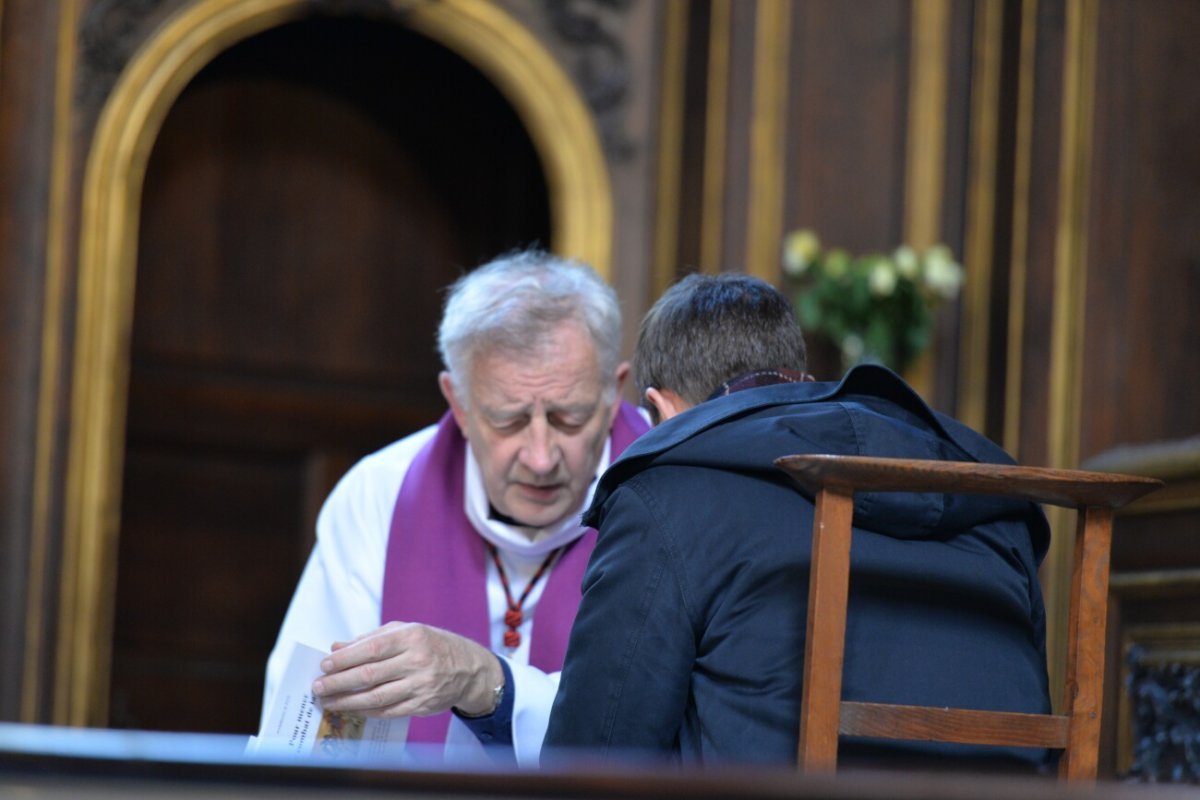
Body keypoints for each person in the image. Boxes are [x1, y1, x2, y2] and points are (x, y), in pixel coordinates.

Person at [543, 273, 1053, 769]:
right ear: (805, 387)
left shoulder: (667, 496)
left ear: (660, 408)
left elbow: (591, 761)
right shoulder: (996, 501)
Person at [261, 250, 649, 765]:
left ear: (612, 391)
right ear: (459, 403)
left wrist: (487, 682)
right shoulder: (379, 495)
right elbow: (308, 736)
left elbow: (672, 728)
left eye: (569, 418)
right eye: (509, 421)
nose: (540, 457)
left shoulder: (673, 493)